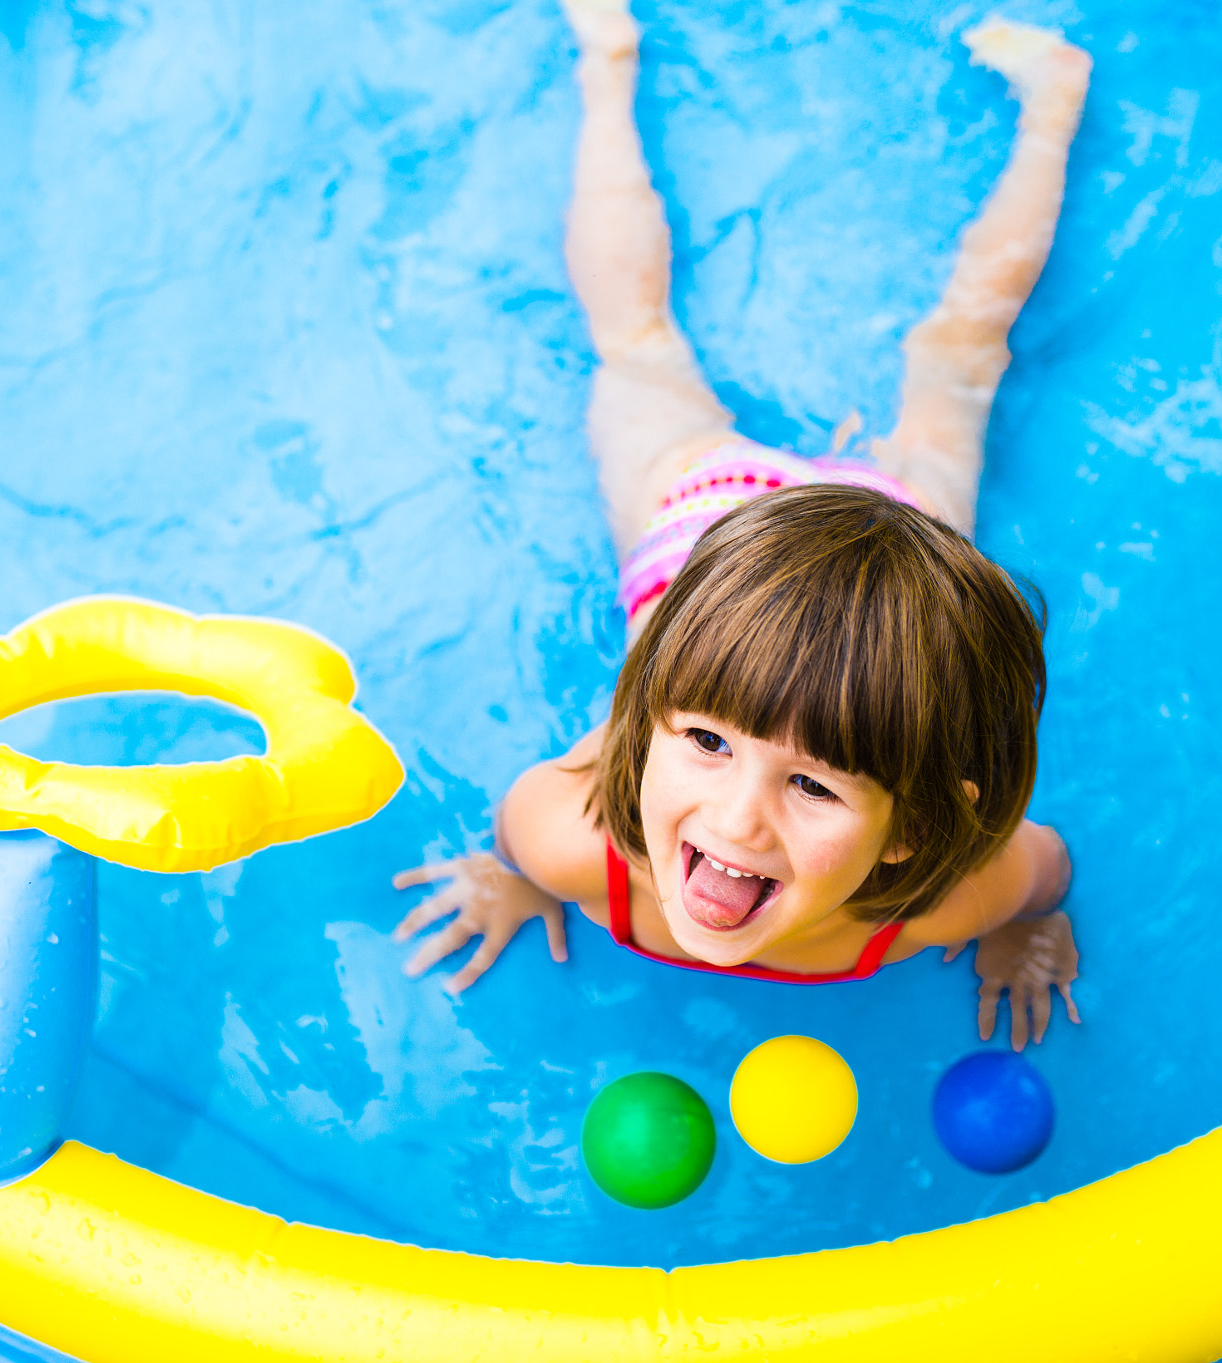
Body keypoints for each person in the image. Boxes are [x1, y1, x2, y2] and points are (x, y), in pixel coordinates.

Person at [393, 0, 1091, 1049]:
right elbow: (522, 837)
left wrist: (1023, 931)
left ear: (913, 833)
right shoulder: (570, 840)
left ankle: (1053, 110)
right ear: (648, 735)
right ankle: (605, 61)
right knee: (642, 336)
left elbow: (1044, 872)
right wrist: (515, 879)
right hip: (701, 520)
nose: (734, 820)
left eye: (811, 783)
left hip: (854, 537)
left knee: (949, 346)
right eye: (706, 743)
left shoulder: (946, 899)